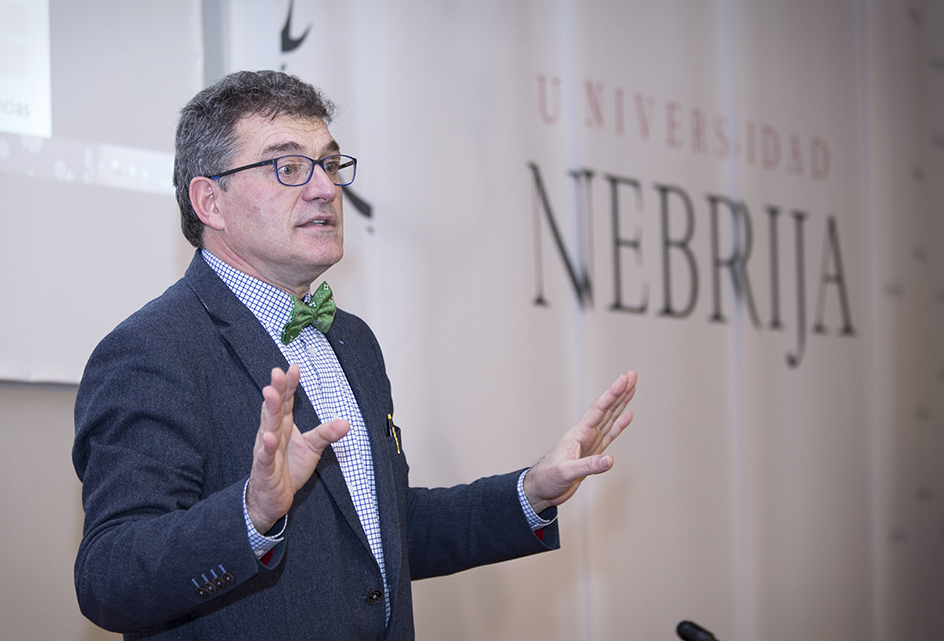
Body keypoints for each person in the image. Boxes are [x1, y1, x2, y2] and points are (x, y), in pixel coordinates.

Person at [72, 70, 637, 640]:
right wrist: (251, 514)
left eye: (329, 163)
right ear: (210, 201)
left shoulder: (353, 340)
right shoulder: (150, 351)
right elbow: (109, 578)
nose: (324, 188)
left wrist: (530, 492)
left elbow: (381, 530)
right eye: (287, 167)